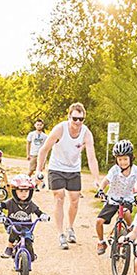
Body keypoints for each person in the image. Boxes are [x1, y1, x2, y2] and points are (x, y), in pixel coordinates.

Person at [36, 102, 100, 250]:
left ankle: (70, 228)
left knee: (75, 200)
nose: (77, 122)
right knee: (59, 197)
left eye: (81, 119)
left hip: (73, 169)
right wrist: (39, 170)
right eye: (75, 118)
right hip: (56, 168)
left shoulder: (86, 133)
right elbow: (44, 150)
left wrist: (96, 178)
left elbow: (91, 157)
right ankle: (60, 234)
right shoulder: (60, 129)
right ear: (69, 117)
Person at [95, 139, 137, 255]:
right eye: (120, 159)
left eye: (125, 159)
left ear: (131, 158)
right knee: (98, 221)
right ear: (116, 159)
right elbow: (106, 180)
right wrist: (101, 189)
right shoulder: (115, 170)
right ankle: (101, 242)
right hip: (113, 198)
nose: (123, 162)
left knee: (125, 212)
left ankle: (132, 231)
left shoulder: (136, 171)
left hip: (128, 199)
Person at [0, 175, 50, 260]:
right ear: (15, 192)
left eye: (26, 191)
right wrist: (0, 213)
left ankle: (29, 258)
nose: (24, 194)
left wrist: (42, 215)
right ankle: (9, 247)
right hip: (12, 225)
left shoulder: (30, 204)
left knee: (29, 244)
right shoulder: (11, 202)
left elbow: (38, 211)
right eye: (21, 191)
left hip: (26, 226)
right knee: (15, 227)